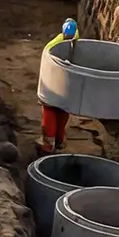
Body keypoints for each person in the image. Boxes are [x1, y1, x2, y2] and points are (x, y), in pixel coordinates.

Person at [40, 19, 79, 153]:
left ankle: (54, 144)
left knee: (57, 116)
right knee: (55, 116)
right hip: (58, 86)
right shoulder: (54, 46)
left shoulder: (74, 45)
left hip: (59, 88)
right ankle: (52, 144)